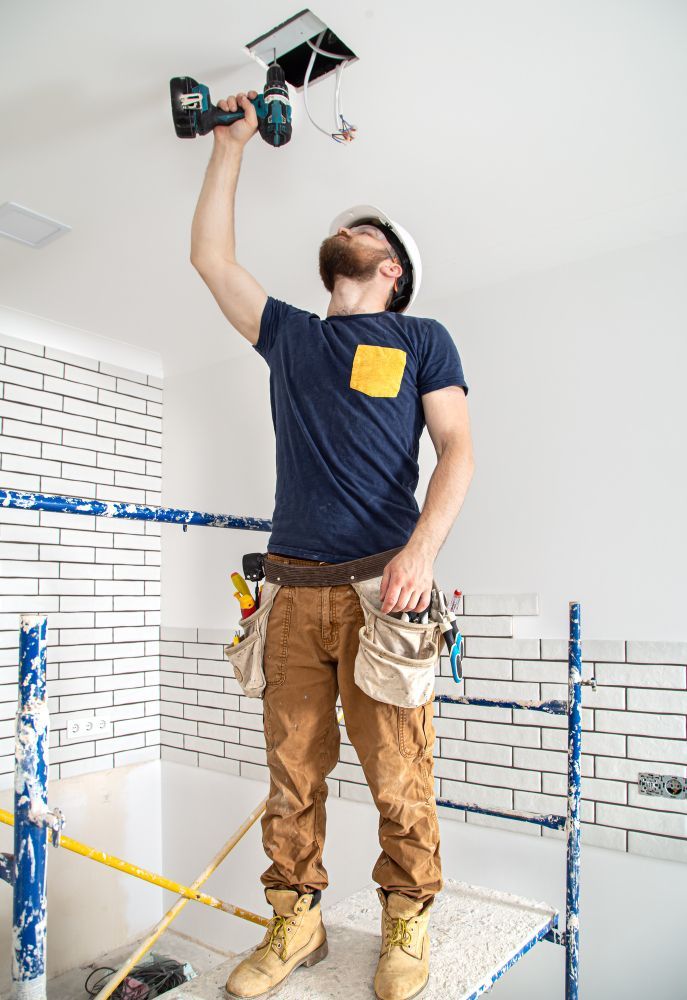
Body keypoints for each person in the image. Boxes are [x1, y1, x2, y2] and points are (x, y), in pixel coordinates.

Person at [191, 88, 474, 1000]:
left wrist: (421, 552)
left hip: (382, 593)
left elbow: (458, 449)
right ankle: (295, 922)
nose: (349, 232)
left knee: (399, 773)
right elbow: (209, 258)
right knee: (291, 776)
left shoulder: (422, 338)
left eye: (367, 230)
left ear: (390, 267)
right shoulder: (291, 337)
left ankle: (404, 921)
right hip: (290, 591)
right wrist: (230, 144)